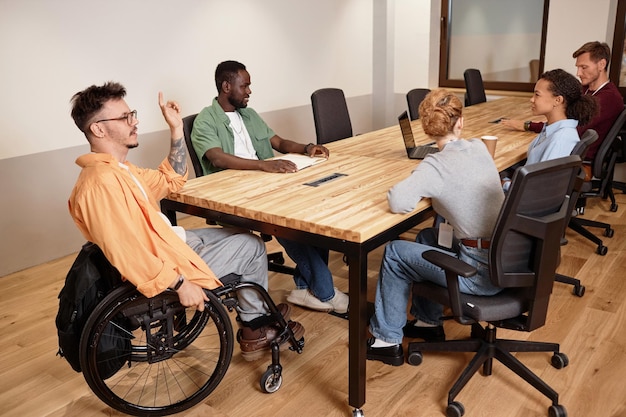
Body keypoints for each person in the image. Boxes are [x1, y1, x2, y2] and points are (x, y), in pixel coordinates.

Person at [68, 81, 304, 362]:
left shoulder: (121, 171)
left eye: (132, 114)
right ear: (98, 129)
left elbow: (172, 179)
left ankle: (256, 310)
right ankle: (255, 328)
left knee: (240, 234)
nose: (135, 121)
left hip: (172, 242)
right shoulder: (100, 184)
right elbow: (128, 253)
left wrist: (177, 129)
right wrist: (180, 285)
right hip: (166, 264)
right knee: (251, 247)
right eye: (125, 117)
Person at [191, 60, 349, 314]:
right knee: (288, 223)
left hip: (268, 182)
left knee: (313, 211)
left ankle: (305, 288)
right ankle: (326, 292)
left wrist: (307, 148)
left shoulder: (249, 115)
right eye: (245, 86)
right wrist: (263, 166)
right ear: (226, 86)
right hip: (236, 192)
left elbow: (279, 142)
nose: (249, 91)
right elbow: (217, 158)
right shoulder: (205, 120)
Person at [366, 89, 506, 366]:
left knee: (394, 252)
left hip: (479, 274)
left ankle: (386, 340)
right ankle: (427, 322)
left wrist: (427, 184)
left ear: (426, 129)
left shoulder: (435, 165)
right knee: (428, 235)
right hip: (506, 258)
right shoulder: (479, 147)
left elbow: (398, 201)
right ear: (460, 123)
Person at [501, 41, 622, 162]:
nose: (578, 73)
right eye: (578, 67)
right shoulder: (585, 90)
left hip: (579, 160)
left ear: (602, 64)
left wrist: (527, 125)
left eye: (584, 67)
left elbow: (574, 126)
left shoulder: (609, 97)